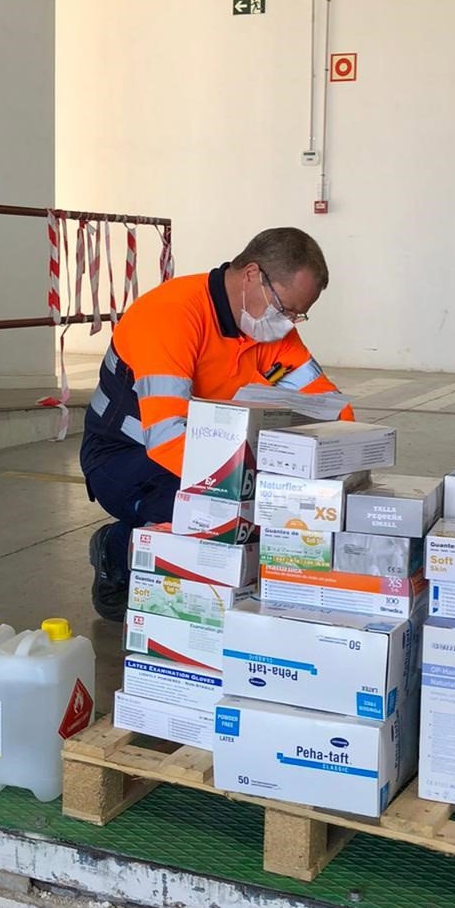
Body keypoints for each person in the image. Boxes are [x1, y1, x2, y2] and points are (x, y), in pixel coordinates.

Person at [80, 227, 349, 620]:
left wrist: (337, 464)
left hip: (213, 452)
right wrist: (251, 488)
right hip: (127, 459)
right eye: (285, 309)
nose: (290, 323)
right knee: (222, 516)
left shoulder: (268, 328)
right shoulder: (171, 315)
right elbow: (167, 438)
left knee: (263, 512)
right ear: (253, 274)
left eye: (298, 314)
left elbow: (330, 408)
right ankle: (117, 547)